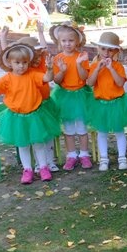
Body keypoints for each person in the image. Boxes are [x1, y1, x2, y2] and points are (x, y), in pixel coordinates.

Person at [0, 44, 61, 184]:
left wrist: (50, 69)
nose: (21, 66)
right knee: (23, 145)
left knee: (38, 143)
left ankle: (43, 167)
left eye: (24, 62)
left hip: (35, 116)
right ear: (10, 63)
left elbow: (47, 78)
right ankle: (27, 170)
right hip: (17, 118)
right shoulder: (6, 79)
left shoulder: (32, 74)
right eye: (17, 63)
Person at [0, 23, 60, 173]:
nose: (38, 54)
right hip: (32, 106)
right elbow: (7, 57)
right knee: (34, 136)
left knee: (47, 134)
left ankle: (50, 161)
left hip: (45, 104)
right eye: (36, 52)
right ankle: (38, 164)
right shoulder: (24, 68)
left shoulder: (42, 63)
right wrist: (3, 38)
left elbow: (45, 49)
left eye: (39, 51)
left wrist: (40, 32)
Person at [86, 32, 127, 172]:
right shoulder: (95, 66)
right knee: (102, 132)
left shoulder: (118, 66)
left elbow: (120, 83)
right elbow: (90, 83)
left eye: (110, 50)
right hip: (100, 104)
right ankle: (104, 159)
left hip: (116, 103)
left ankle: (122, 158)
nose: (106, 53)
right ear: (98, 49)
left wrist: (111, 68)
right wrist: (98, 69)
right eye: (103, 49)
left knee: (119, 131)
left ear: (116, 51)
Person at [50, 21, 92, 170]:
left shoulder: (81, 56)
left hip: (80, 95)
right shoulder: (57, 59)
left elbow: (84, 77)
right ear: (59, 42)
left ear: (77, 41)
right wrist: (62, 71)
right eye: (64, 41)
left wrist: (79, 64)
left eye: (71, 40)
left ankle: (84, 154)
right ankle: (71, 155)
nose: (67, 44)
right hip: (65, 96)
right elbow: (57, 81)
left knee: (81, 128)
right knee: (68, 129)